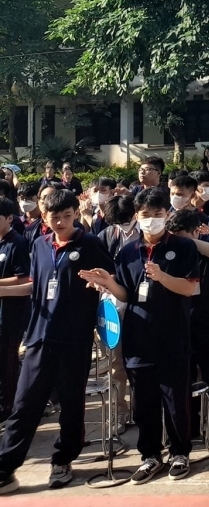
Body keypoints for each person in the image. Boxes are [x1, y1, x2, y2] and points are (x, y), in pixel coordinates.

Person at [0, 189, 113, 493]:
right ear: (43, 214)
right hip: (39, 336)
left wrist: (101, 283)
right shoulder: (39, 244)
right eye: (54, 216)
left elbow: (110, 280)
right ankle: (5, 467)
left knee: (72, 404)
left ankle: (62, 461)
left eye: (67, 215)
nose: (61, 221)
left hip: (74, 339)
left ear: (76, 213)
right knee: (25, 404)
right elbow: (34, 286)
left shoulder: (89, 244)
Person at [85, 188, 201, 484]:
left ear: (167, 215)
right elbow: (126, 293)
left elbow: (191, 288)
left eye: (157, 214)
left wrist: (162, 277)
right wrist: (108, 283)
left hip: (173, 336)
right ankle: (150, 455)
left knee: (176, 401)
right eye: (146, 215)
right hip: (139, 338)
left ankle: (180, 452)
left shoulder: (183, 248)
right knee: (144, 404)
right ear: (136, 217)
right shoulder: (127, 251)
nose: (152, 220)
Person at [0, 199, 32, 423]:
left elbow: (24, 277)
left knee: (9, 363)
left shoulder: (17, 243)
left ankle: (11, 408)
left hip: (11, 315)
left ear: (9, 218)